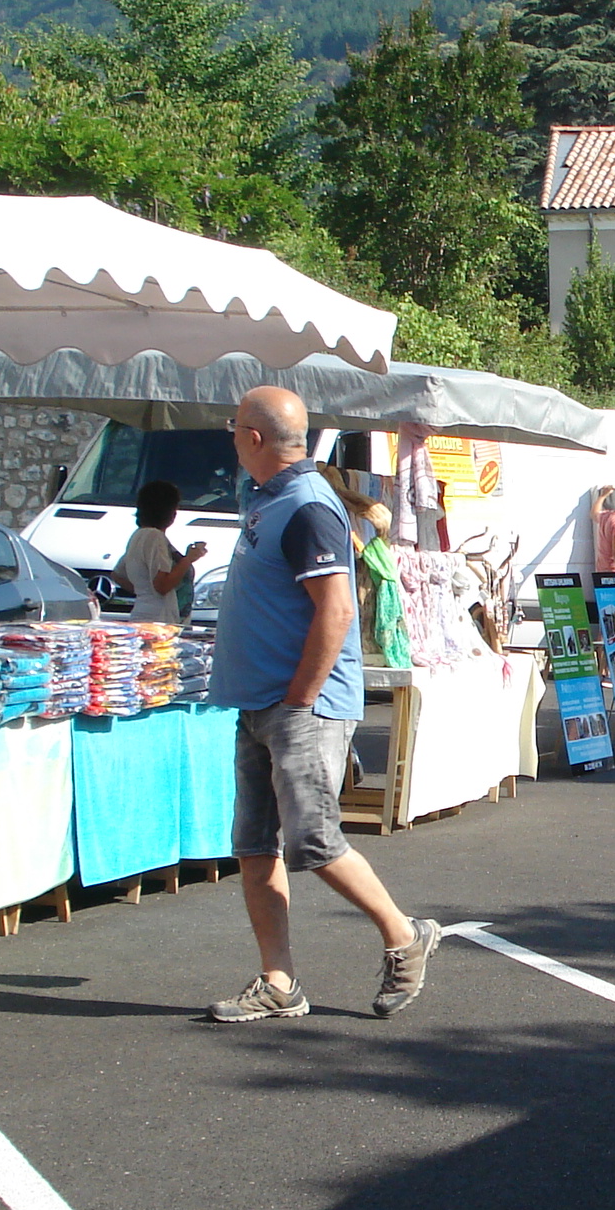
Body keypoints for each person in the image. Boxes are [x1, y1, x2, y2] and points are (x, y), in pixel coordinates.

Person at [205, 386, 441, 1024]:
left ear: (254, 437)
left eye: (234, 427)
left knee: (312, 840)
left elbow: (336, 610)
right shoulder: (267, 498)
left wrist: (301, 698)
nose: (231, 437)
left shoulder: (308, 505)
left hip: (298, 708)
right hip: (261, 703)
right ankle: (278, 982)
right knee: (256, 846)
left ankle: (404, 934)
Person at [115, 479, 208, 623]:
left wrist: (144, 591)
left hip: (146, 613)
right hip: (159, 618)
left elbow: (117, 574)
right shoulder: (154, 537)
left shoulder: (139, 535)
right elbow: (162, 585)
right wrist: (188, 559)